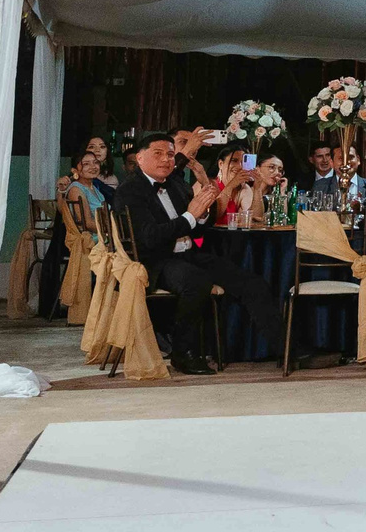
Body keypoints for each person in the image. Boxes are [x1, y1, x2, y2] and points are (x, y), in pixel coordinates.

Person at [114, 136, 279, 376]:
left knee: (251, 281)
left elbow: (198, 229)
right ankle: (183, 353)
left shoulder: (175, 184)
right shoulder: (130, 190)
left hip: (187, 255)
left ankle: (286, 349)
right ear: (140, 158)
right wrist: (190, 216)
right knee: (196, 281)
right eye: (158, 153)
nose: (166, 159)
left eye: (170, 155)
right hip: (154, 261)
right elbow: (150, 238)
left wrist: (201, 215)